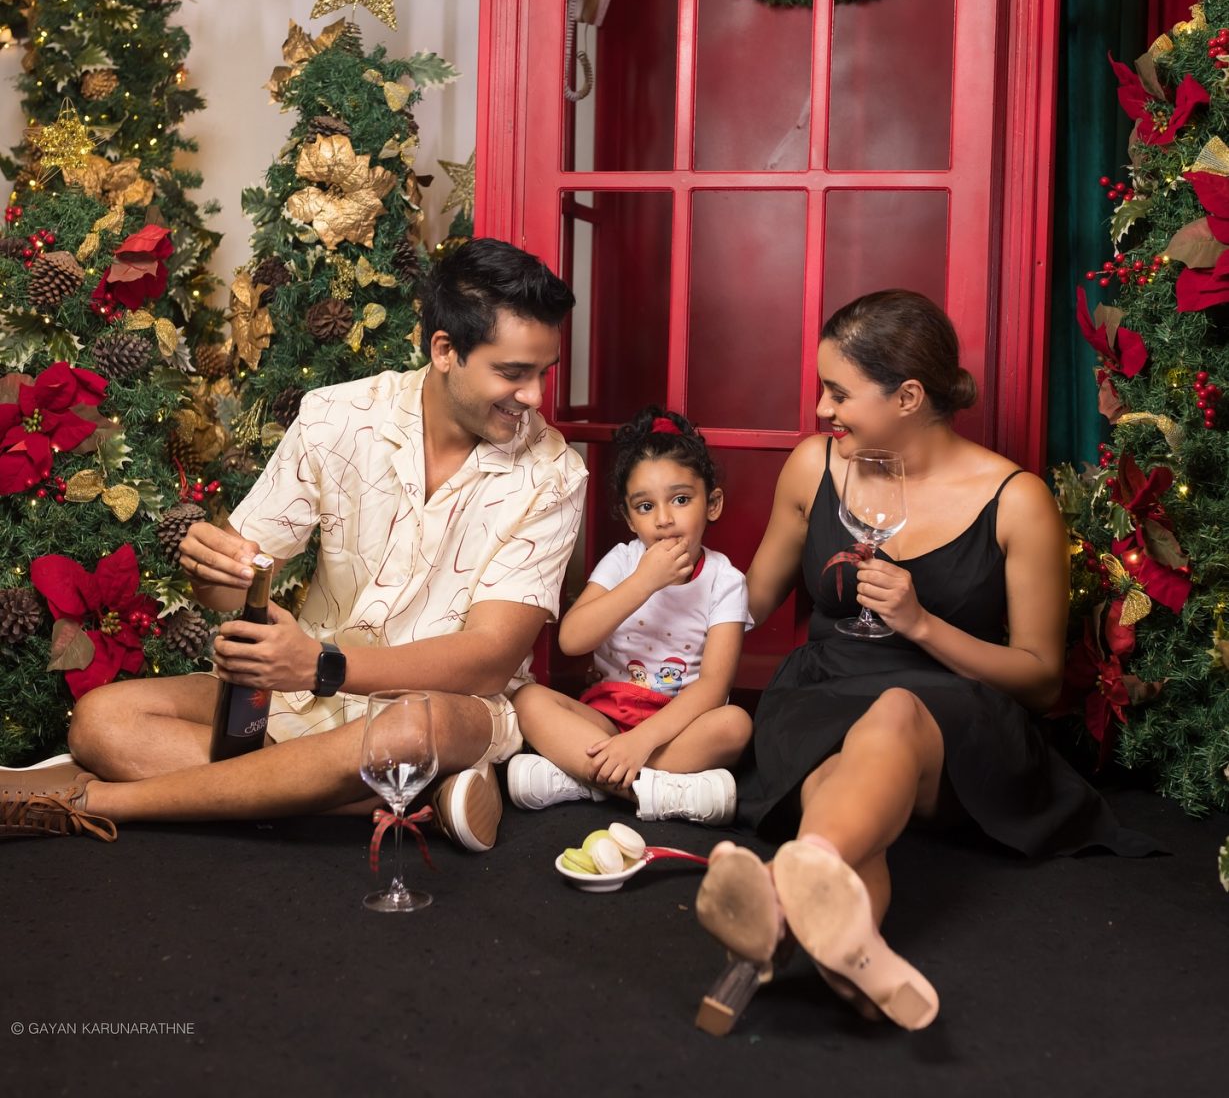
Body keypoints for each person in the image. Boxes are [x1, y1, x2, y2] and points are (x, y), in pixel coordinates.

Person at [0, 239, 587, 849]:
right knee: (101, 721)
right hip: (299, 696)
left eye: (542, 372)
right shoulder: (336, 416)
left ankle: (93, 802)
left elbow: (490, 657)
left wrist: (322, 664)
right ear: (445, 350)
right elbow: (234, 586)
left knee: (412, 731)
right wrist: (215, 570)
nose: (534, 396)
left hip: (445, 708)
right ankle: (390, 796)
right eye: (512, 373)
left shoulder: (554, 474)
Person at [692, 290, 1156, 1035]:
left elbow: (1041, 681)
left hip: (953, 717)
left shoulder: (1016, 500)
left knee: (895, 714)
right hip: (818, 697)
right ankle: (838, 930)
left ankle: (778, 894)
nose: (821, 409)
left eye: (839, 392)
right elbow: (745, 602)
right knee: (842, 795)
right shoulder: (813, 467)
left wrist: (920, 624)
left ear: (908, 396)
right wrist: (652, 601)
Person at [507, 407, 753, 824]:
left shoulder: (725, 580)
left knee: (735, 725)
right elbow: (572, 639)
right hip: (605, 718)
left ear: (712, 504)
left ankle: (586, 779)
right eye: (645, 506)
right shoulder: (623, 562)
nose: (664, 520)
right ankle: (656, 791)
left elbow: (714, 687)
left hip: (676, 728)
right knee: (528, 700)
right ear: (628, 517)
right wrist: (643, 582)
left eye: (681, 500)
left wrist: (640, 743)